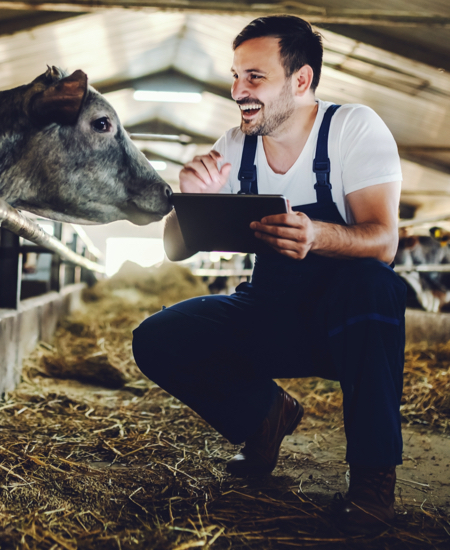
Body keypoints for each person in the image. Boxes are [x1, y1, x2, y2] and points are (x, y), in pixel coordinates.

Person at [132, 15, 406, 534]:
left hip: (347, 319)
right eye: (236, 77)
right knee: (157, 337)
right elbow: (173, 250)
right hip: (273, 305)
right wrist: (192, 202)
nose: (238, 91)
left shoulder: (351, 128)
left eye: (254, 77)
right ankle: (264, 416)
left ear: (300, 80)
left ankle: (373, 478)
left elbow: (384, 240)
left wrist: (318, 235)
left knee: (376, 284)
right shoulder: (236, 145)